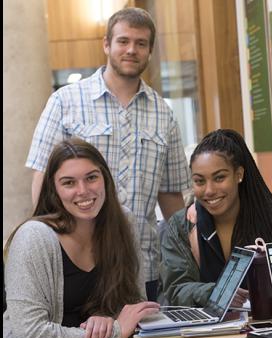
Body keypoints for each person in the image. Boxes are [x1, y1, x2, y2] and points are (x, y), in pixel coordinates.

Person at [25, 7, 190, 302]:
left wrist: (189, 257)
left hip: (141, 266)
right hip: (80, 266)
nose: (131, 50)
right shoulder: (65, 101)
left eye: (141, 43)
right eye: (123, 41)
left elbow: (171, 196)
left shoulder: (164, 114)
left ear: (150, 50)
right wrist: (46, 248)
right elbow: (42, 181)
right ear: (106, 45)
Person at [3, 138, 160, 338]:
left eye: (91, 177)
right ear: (54, 190)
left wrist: (106, 318)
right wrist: (114, 331)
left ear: (105, 178)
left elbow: (134, 306)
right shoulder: (33, 237)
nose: (83, 191)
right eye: (69, 183)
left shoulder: (123, 223)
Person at [158, 128, 272, 309]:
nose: (209, 190)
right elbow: (175, 288)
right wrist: (217, 293)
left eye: (219, 178)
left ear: (239, 174)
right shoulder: (182, 225)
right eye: (199, 181)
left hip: (267, 327)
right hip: (204, 333)